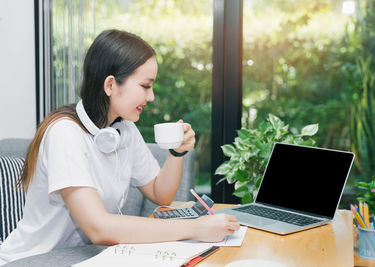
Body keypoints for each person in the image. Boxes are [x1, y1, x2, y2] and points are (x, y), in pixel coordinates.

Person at [0, 29, 239, 265]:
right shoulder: (64, 133)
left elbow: (160, 193)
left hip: (85, 257)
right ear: (110, 85)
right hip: (33, 260)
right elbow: (98, 228)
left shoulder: (123, 129)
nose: (152, 96)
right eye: (145, 86)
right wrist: (195, 228)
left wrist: (177, 153)